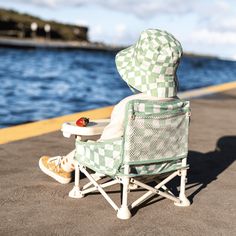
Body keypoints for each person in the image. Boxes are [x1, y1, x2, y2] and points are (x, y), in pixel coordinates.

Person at [39, 28, 183, 184]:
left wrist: (87, 147)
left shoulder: (129, 105)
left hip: (131, 168)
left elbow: (106, 143)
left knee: (88, 146)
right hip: (164, 167)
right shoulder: (178, 105)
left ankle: (64, 167)